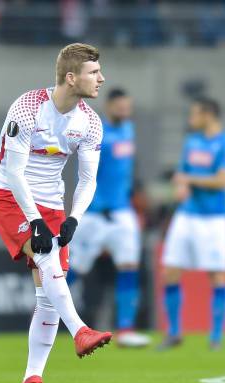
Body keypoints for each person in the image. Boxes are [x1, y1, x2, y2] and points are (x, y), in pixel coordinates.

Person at [0, 43, 111, 383]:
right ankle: (81, 331)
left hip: (53, 206)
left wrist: (73, 218)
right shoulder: (27, 109)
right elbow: (13, 173)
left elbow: (88, 180)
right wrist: (35, 220)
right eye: (93, 72)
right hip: (10, 196)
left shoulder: (89, 122)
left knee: (47, 295)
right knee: (46, 258)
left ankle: (32, 380)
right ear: (71, 78)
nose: (101, 78)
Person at [68, 88, 150, 348]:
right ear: (109, 106)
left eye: (128, 107)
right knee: (75, 269)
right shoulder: (96, 132)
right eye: (120, 107)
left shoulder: (129, 131)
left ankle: (125, 329)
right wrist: (97, 203)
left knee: (129, 265)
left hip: (122, 213)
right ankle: (43, 315)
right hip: (94, 214)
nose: (125, 111)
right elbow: (86, 173)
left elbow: (126, 172)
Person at [158, 96, 225, 351]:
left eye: (195, 114)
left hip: (214, 219)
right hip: (186, 215)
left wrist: (189, 179)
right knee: (170, 271)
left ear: (209, 115)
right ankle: (174, 333)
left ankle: (215, 337)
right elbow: (183, 174)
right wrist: (182, 186)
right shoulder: (191, 142)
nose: (191, 119)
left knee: (217, 275)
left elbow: (224, 180)